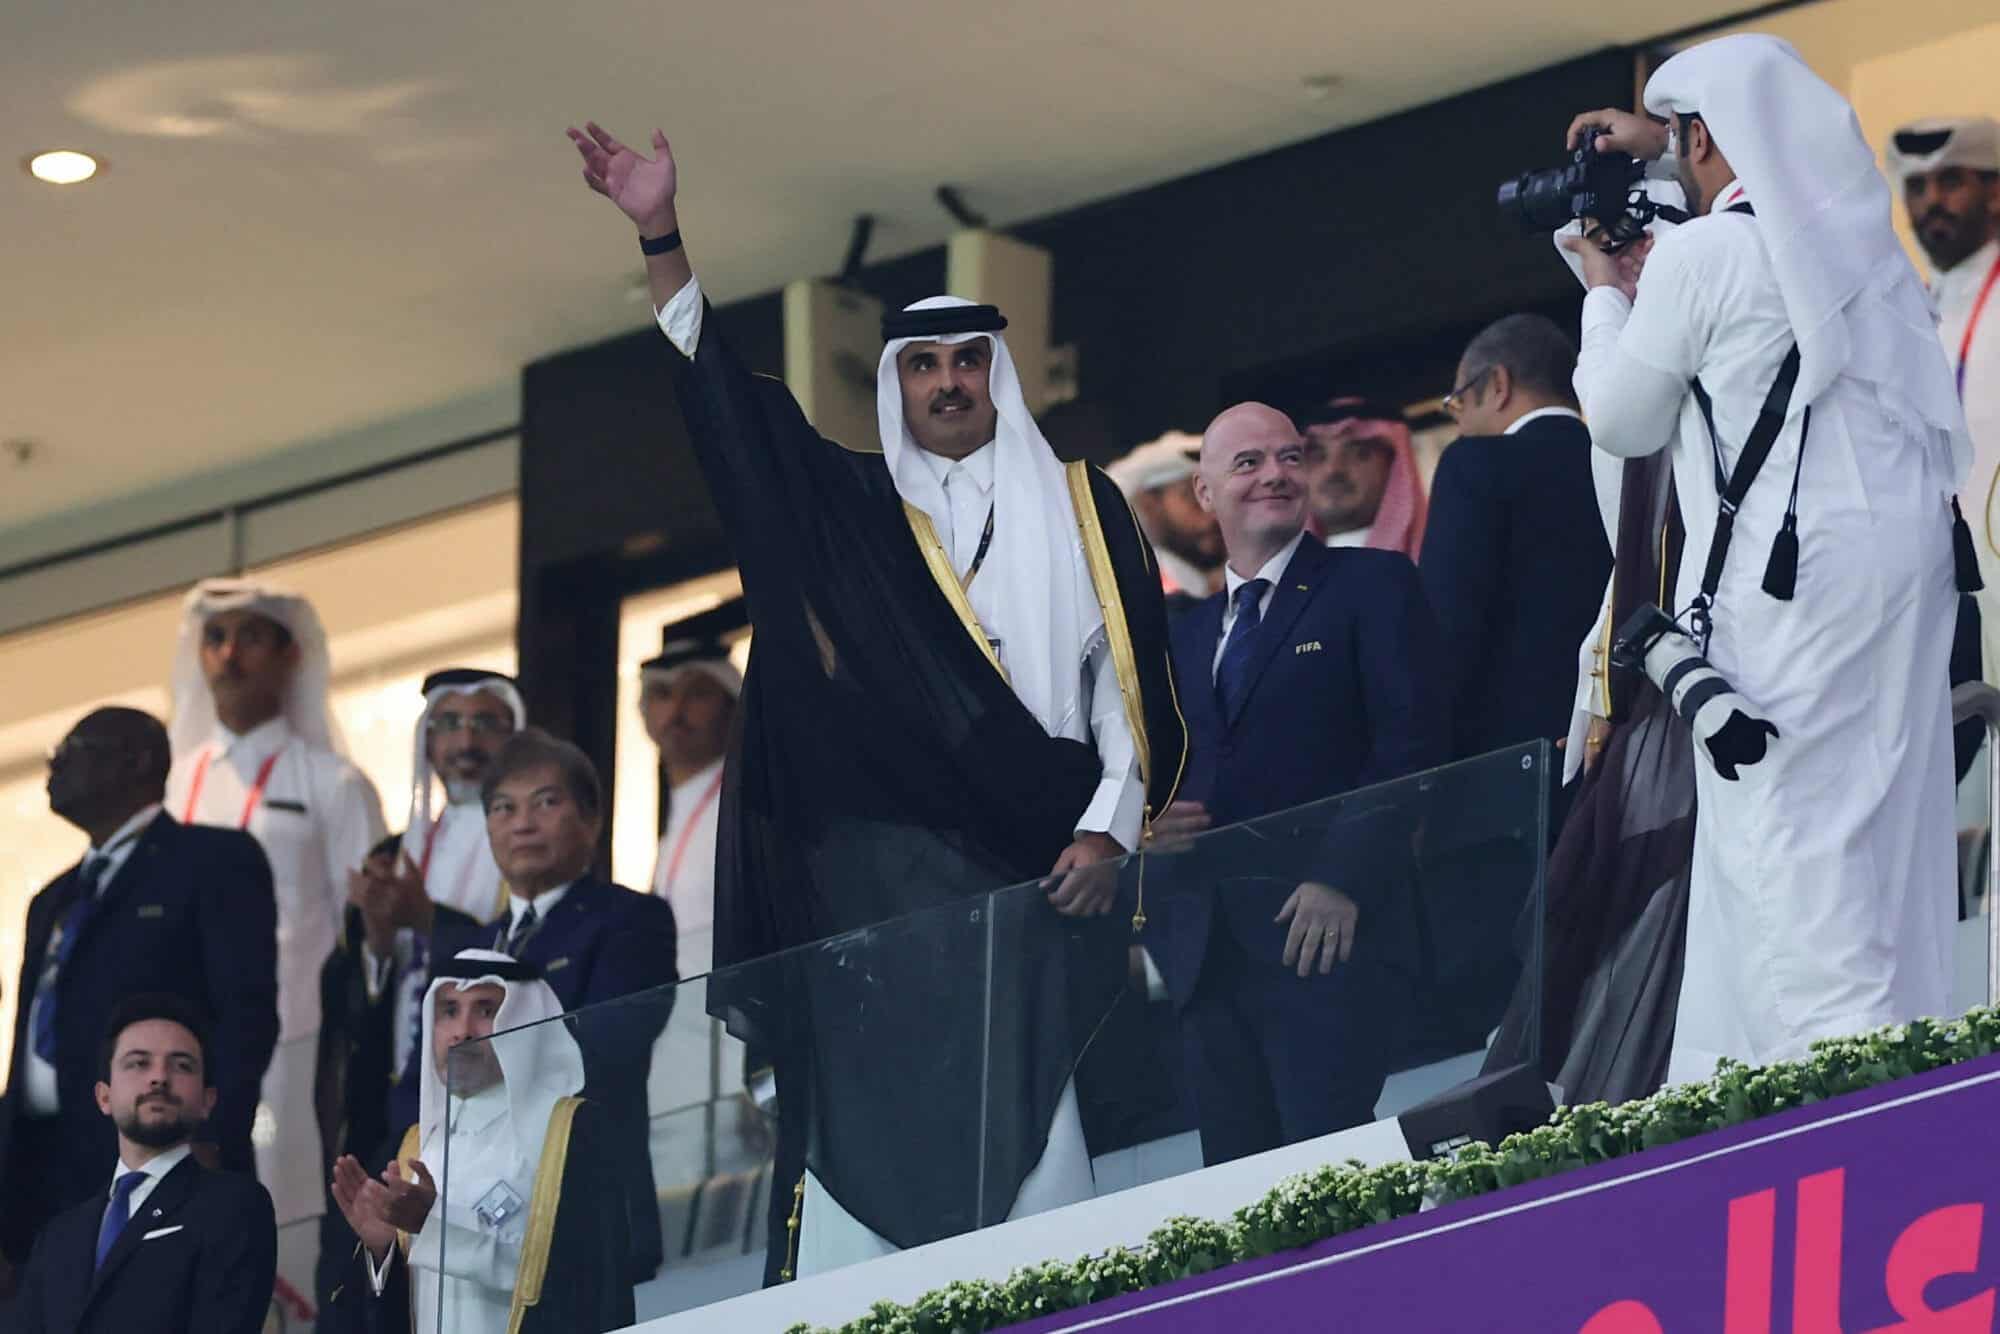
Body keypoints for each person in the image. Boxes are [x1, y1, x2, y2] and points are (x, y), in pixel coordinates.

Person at [567, 122, 1184, 1267]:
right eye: (921, 364)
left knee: (1040, 1164)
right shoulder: (856, 512)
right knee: (882, 1151)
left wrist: (1107, 829)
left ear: (996, 373)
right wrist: (660, 237)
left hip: (1042, 868)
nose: (946, 382)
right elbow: (731, 413)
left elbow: (1124, 687)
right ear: (895, 381)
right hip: (893, 885)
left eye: (966, 361)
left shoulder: (1079, 502)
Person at [1561, 34, 1970, 1082]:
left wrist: (1603, 289)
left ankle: (1836, 1106)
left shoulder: (1701, 256)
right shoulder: (1866, 259)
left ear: (1701, 137)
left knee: (1787, 854)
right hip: (1899, 582)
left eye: (1680, 137)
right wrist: (1663, 141)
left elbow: (1621, 419)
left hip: (1783, 596)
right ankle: (1906, 1078)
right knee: (1878, 850)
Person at [1151, 402, 1447, 1164]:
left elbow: (1410, 741)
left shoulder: (1373, 582)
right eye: (1248, 462)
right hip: (1206, 956)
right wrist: (1148, 826)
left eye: (1290, 457)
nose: (1276, 475)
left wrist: (1342, 878)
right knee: (1238, 1193)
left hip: (1326, 940)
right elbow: (1155, 767)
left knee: (1332, 1175)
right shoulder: (1181, 633)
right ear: (1205, 492)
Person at [0, 708, 278, 1279]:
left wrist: (209, 1138)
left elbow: (245, 1013)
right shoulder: (52, 898)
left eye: (73, 750)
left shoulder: (213, 861)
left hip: (158, 1153)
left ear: (137, 761)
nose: (55, 766)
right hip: (40, 1173)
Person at [166, 578, 387, 1233]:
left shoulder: (334, 783)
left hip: (301, 1040)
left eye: (250, 637)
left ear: (291, 654)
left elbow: (367, 930)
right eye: (215, 638)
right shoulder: (172, 783)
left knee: (290, 1213)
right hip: (181, 1042)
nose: (229, 655)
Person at [467, 728, 679, 1285]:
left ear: (591, 820)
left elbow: (606, 1047)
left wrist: (482, 1063)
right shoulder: (468, 949)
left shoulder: (632, 919)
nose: (522, 824)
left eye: (546, 802)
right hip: (472, 1224)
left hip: (588, 1207)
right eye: (503, 808)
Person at [325, 951, 629, 1334]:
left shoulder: (569, 1132)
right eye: (449, 1011)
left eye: (485, 1010)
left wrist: (434, 1226)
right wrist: (384, 1250)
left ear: (523, 1020)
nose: (462, 1031)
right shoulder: (414, 1148)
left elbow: (579, 1275)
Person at [10, 995, 278, 1334]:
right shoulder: (57, 1238)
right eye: (138, 1063)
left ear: (207, 1101)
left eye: (181, 1065)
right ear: (104, 1096)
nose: (159, 1078)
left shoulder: (233, 1207)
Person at [1421, 315, 1612, 765]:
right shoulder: (1629, 461)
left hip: (1511, 759)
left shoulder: (1476, 463)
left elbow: (1446, 624)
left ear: (1498, 384)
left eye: (1458, 401)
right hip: (1629, 738)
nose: (1459, 421)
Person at [312, 834, 480, 1329]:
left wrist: (425, 919)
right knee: (350, 1291)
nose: (383, 894)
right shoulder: (350, 959)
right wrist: (378, 943)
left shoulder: (459, 937)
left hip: (444, 1140)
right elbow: (341, 1059)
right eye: (371, 879)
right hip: (367, 1146)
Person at [1886, 117, 2000, 685]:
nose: (1931, 200)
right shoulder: (1914, 307)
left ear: (1995, 191)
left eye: (1951, 181)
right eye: (1916, 186)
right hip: (1934, 585)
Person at [640, 639, 738, 975]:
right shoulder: (680, 806)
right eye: (663, 694)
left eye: (697, 694)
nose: (676, 710)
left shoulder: (747, 798)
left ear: (732, 706)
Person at [1105, 431, 1226, 608]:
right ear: (1149, 505)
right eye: (1192, 497)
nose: (1213, 515)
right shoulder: (1136, 596)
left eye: (1218, 498)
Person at [1298, 397, 1428, 556]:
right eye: (1317, 456)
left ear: (1393, 466)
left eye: (1358, 453)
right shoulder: (1285, 567)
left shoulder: (1433, 562)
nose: (1332, 469)